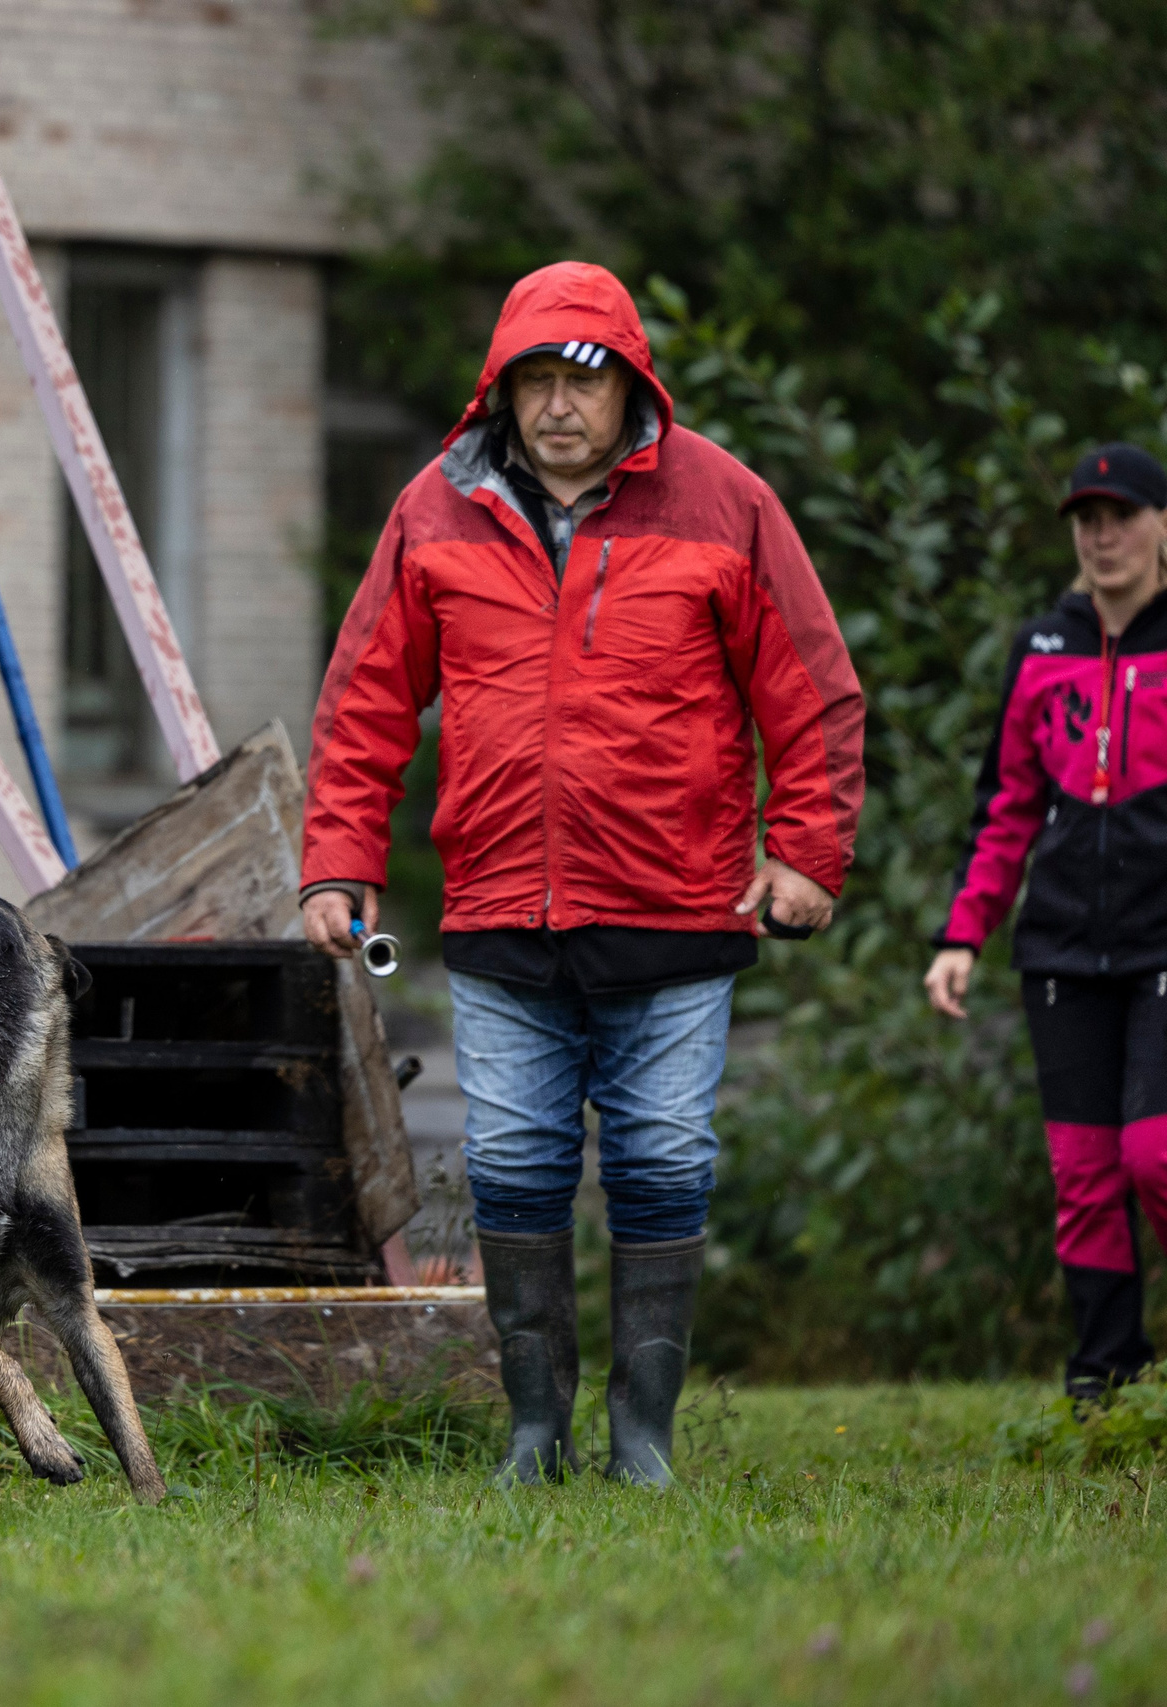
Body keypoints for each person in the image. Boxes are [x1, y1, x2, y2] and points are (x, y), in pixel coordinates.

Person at [300, 261, 865, 1484]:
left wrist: (806, 850)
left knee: (664, 1162)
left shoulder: (724, 503)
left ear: (632, 390)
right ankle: (532, 1430)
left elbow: (810, 688)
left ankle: (642, 1437)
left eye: (584, 380)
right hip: (503, 913)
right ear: (499, 392)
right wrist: (337, 862)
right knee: (513, 1166)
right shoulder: (433, 510)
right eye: (536, 380)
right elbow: (363, 703)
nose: (560, 404)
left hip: (677, 912)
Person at [926, 442, 1167, 1399]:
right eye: (1086, 519)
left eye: (1122, 515)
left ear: (1159, 526)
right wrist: (960, 935)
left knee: (1154, 1156)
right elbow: (1007, 806)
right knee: (1084, 1174)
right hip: (1061, 948)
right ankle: (1105, 1378)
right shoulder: (1043, 648)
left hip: (1161, 946)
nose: (1103, 535)